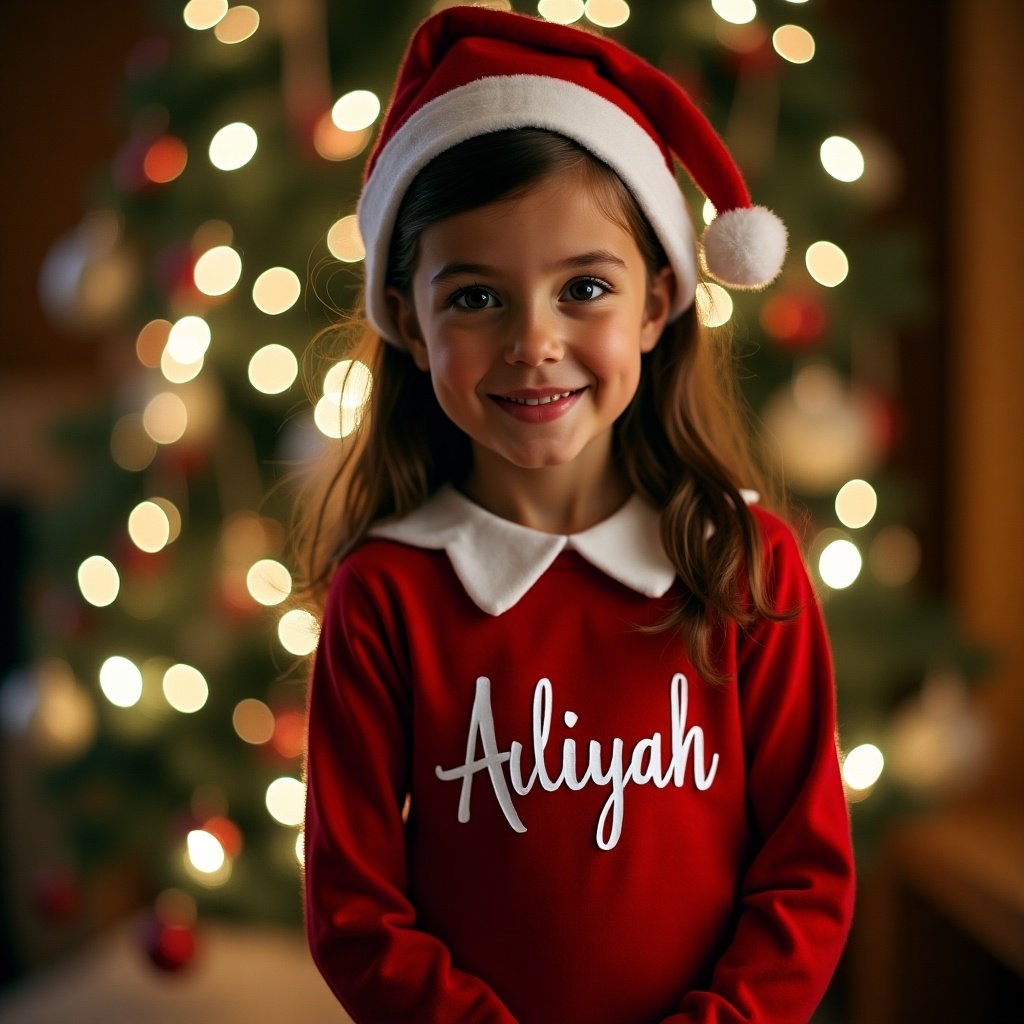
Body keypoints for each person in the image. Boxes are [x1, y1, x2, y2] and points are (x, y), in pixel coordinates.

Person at [298, 7, 855, 1023]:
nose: (532, 342)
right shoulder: (384, 594)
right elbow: (352, 908)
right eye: (474, 298)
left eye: (583, 288)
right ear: (410, 323)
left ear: (654, 303)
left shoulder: (747, 565)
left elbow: (806, 874)